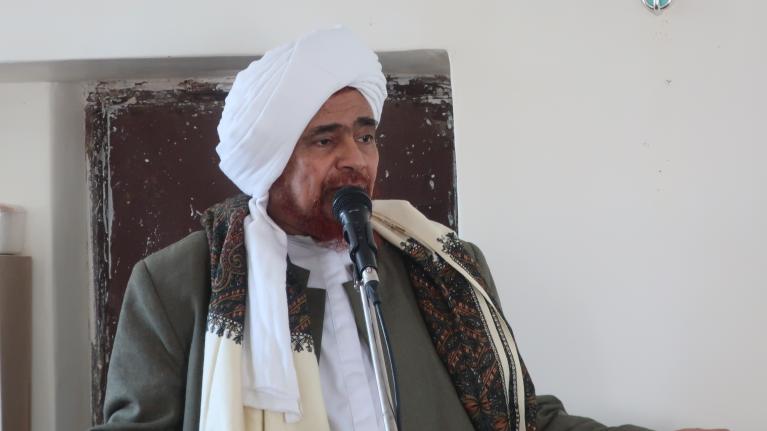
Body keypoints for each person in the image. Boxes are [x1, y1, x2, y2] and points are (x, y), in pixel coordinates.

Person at [92, 27, 719, 431]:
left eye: (365, 136)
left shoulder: (441, 266)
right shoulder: (177, 285)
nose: (356, 160)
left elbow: (521, 419)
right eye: (325, 140)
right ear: (271, 162)